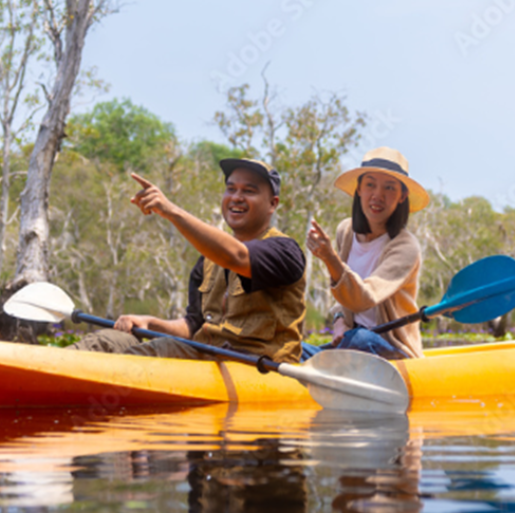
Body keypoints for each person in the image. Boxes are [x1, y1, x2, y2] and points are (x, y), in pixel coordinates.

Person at [66, 158, 307, 362]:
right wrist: (149, 323)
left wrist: (171, 210)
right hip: (205, 357)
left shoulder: (284, 250)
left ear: (272, 204)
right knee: (107, 340)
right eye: (231, 189)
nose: (236, 197)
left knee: (159, 351)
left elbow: (237, 256)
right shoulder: (208, 261)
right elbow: (193, 325)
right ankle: (47, 371)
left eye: (249, 191)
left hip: (256, 368)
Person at [302, 147, 428, 360]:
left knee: (361, 339)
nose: (378, 195)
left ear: (402, 196)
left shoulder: (406, 247)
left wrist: (329, 258)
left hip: (388, 350)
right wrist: (340, 319)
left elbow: (363, 298)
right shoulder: (346, 231)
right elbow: (344, 297)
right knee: (295, 349)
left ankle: (328, 367)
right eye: (370, 184)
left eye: (389, 188)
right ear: (359, 189)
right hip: (350, 344)